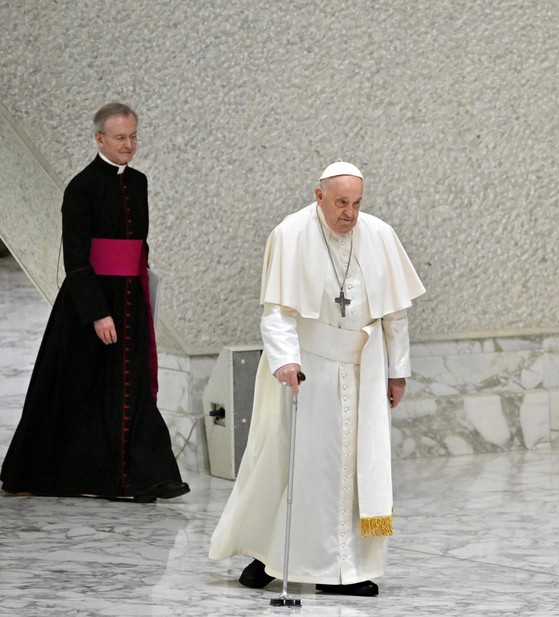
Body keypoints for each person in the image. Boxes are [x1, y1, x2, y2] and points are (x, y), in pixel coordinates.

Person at [209, 161, 425, 597]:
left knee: (354, 473)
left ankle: (345, 570)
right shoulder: (290, 235)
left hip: (363, 371)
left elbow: (395, 315)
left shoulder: (380, 236)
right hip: (307, 370)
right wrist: (286, 361)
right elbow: (277, 313)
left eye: (358, 203)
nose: (350, 213)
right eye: (342, 202)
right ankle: (267, 555)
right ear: (318, 195)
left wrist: (397, 372)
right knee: (294, 466)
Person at [1, 102, 188, 503]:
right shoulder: (81, 187)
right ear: (99, 138)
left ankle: (150, 476)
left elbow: (140, 243)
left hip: (130, 300)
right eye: (120, 137)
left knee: (132, 384)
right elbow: (76, 259)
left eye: (134, 136)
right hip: (92, 306)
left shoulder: (138, 182)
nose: (129, 144)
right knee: (79, 390)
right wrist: (97, 313)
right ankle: (84, 476)